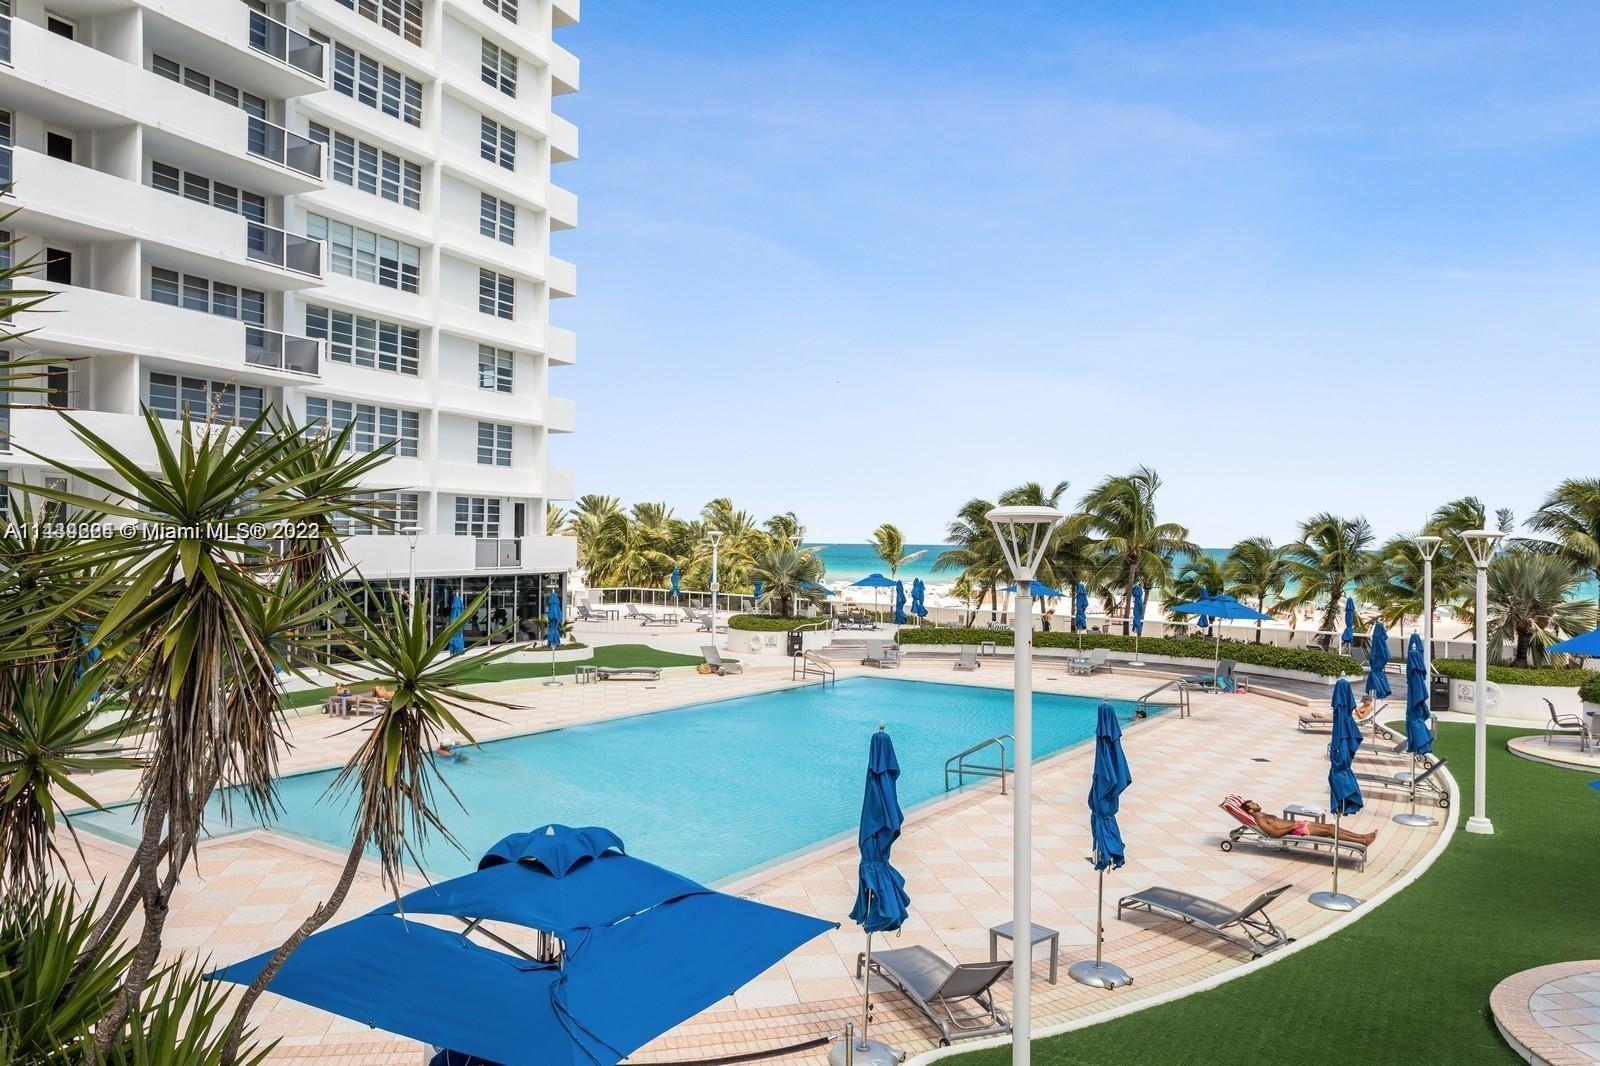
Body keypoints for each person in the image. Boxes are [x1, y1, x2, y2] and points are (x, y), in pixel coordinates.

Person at [1239, 800, 1377, 846]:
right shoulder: (1260, 819)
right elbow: (1274, 834)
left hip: (1298, 825)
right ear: (1250, 811)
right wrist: (1292, 826)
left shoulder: (1262, 814)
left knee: (1331, 827)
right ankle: (1362, 842)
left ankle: (1362, 837)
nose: (1256, 804)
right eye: (1253, 804)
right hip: (1297, 830)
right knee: (1330, 832)